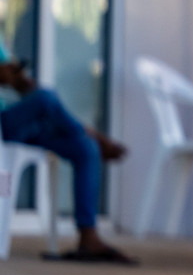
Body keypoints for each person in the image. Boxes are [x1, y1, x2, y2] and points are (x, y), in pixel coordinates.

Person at [0, 45, 130, 263]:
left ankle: (88, 236)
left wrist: (18, 81)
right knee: (46, 98)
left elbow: (19, 84)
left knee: (85, 148)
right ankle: (97, 137)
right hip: (4, 123)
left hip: (25, 124)